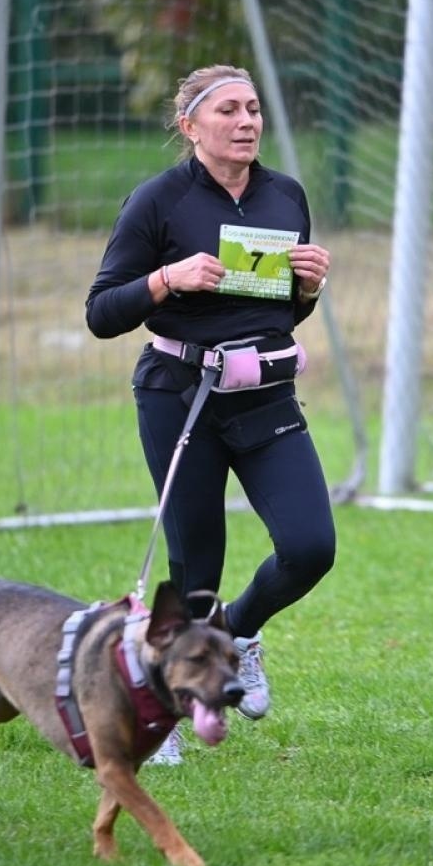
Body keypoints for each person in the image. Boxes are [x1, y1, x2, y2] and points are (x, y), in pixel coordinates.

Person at [85, 64, 336, 760]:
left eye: (253, 107)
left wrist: (308, 290)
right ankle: (162, 717)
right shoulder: (157, 201)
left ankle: (242, 634)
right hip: (179, 397)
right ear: (191, 126)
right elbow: (101, 312)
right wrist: (167, 278)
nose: (247, 120)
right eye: (228, 110)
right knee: (197, 572)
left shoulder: (286, 195)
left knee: (312, 547)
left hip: (264, 396)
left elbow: (281, 310)